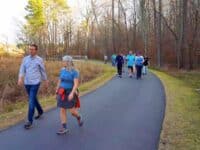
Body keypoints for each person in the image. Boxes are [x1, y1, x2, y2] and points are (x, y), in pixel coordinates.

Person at [18, 44, 48, 129]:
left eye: (32, 49)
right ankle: (40, 111)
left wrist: (45, 80)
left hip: (35, 83)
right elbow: (22, 69)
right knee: (33, 98)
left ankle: (29, 121)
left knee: (31, 101)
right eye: (30, 49)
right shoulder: (25, 59)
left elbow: (43, 71)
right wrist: (20, 78)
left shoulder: (39, 60)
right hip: (27, 83)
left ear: (36, 50)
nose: (30, 51)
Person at [56, 55, 83, 135]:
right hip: (62, 92)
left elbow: (75, 84)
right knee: (62, 109)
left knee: (72, 112)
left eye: (64, 61)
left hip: (70, 92)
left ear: (68, 62)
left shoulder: (75, 71)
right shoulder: (62, 70)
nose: (62, 62)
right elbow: (60, 80)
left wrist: (72, 93)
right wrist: (57, 90)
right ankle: (64, 127)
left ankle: (78, 116)